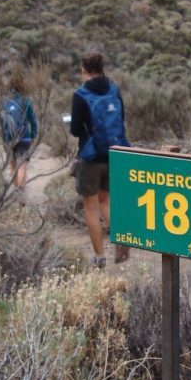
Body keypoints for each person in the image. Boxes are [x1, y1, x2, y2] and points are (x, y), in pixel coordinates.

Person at [70, 50, 130, 268]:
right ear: (102, 68)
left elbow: (76, 130)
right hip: (114, 154)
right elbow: (121, 120)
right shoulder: (114, 90)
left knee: (91, 208)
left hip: (91, 157)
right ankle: (122, 239)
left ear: (83, 69)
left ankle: (99, 257)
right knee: (105, 201)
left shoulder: (81, 95)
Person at [0, 64, 38, 194]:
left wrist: (5, 138)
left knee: (13, 165)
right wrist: (33, 135)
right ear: (22, 86)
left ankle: (16, 192)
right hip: (24, 137)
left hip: (9, 138)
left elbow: (2, 121)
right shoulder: (26, 101)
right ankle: (21, 193)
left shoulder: (4, 102)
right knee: (22, 166)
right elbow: (33, 121)